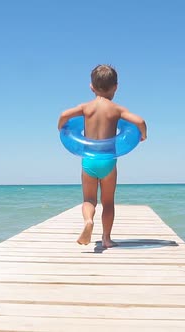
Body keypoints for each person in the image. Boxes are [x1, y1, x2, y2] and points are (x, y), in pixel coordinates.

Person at [57, 64, 147, 248]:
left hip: (89, 161)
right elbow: (140, 121)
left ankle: (88, 221)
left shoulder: (86, 108)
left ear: (91, 87)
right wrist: (143, 134)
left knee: (89, 199)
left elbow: (63, 115)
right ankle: (106, 239)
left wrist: (61, 128)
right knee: (108, 202)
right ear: (116, 87)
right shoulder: (117, 109)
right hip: (108, 161)